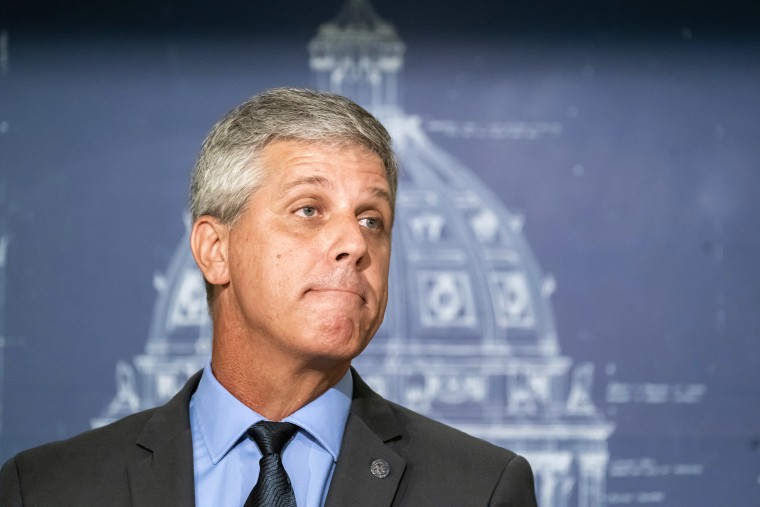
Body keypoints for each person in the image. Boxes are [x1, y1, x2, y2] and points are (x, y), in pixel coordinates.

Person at [0, 88, 537, 506]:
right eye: (310, 209)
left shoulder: (481, 490)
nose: (355, 243)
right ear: (215, 250)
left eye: (373, 219)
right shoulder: (47, 489)